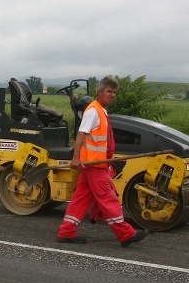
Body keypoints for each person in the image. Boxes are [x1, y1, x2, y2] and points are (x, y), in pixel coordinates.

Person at [56, 76, 148, 247]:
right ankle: (126, 234)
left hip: (95, 164)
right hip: (94, 166)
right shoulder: (93, 111)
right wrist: (75, 158)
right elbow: (81, 135)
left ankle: (66, 231)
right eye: (109, 91)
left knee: (80, 199)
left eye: (114, 92)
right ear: (99, 92)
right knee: (108, 198)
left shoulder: (101, 111)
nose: (112, 95)